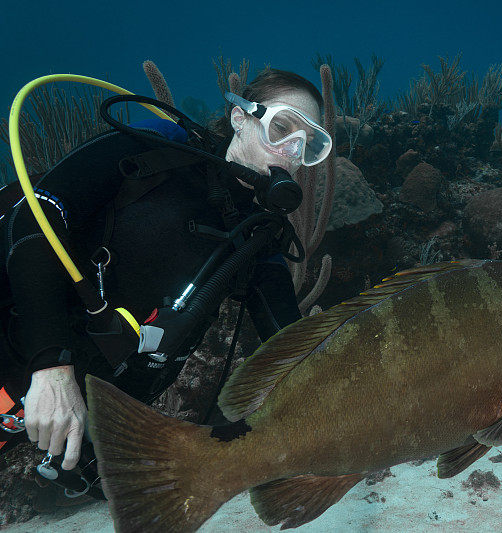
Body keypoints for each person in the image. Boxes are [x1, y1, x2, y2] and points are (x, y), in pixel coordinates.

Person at [0, 67, 332, 498]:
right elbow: (37, 215)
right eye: (282, 128)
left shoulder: (256, 241)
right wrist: (51, 365)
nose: (290, 151)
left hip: (57, 414)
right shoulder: (156, 148)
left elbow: (292, 349)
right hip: (31, 356)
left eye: (309, 145)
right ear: (240, 119)